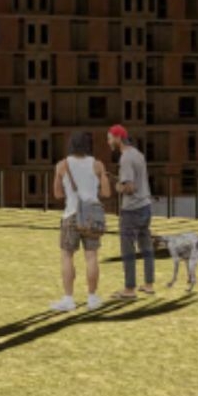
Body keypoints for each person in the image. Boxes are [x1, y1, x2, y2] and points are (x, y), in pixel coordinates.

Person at [49, 132, 112, 312]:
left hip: (71, 214)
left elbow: (58, 194)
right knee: (91, 257)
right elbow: (106, 193)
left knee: (67, 256)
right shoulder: (97, 164)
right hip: (92, 216)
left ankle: (69, 299)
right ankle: (92, 298)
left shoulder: (62, 165)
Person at [107, 125, 155, 300]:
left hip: (132, 210)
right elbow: (138, 181)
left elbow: (130, 187)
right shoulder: (138, 154)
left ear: (118, 137)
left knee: (128, 249)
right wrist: (120, 180)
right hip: (146, 206)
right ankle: (149, 285)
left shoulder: (125, 158)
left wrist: (117, 186)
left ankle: (129, 289)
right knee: (146, 247)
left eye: (110, 138)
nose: (108, 142)